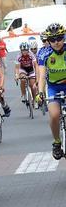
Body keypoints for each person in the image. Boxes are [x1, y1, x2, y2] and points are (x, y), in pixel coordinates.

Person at [37, 23, 66, 159]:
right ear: (48, 41)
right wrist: (40, 93)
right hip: (53, 87)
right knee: (54, 115)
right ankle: (56, 142)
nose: (56, 42)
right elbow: (42, 76)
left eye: (59, 38)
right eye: (52, 40)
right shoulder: (44, 54)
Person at [15, 41, 39, 107]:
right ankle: (24, 95)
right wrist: (17, 75)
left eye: (26, 50)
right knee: (22, 80)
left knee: (32, 85)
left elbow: (36, 65)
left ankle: (34, 100)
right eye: (23, 50)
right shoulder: (18, 56)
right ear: (21, 50)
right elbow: (17, 68)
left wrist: (37, 75)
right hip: (23, 70)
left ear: (28, 50)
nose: (24, 52)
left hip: (31, 69)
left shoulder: (31, 55)